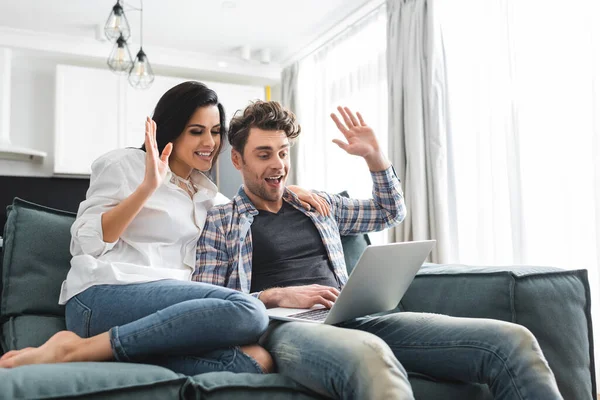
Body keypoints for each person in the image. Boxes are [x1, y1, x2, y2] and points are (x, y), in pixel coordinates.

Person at [194, 100, 564, 399]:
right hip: (286, 331)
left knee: (511, 340)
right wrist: (277, 296)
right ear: (238, 160)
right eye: (264, 155)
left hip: (355, 317)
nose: (278, 165)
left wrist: (375, 157)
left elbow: (390, 211)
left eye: (283, 153)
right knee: (370, 360)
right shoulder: (221, 220)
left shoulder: (317, 204)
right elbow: (208, 306)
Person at [0, 82, 324, 374]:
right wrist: (147, 188)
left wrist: (286, 190)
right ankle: (77, 348)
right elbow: (86, 243)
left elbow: (251, 208)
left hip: (171, 316)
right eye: (196, 131)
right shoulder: (126, 164)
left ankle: (104, 353)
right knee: (249, 311)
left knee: (255, 361)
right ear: (171, 129)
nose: (209, 142)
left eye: (214, 131)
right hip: (104, 296)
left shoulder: (212, 198)